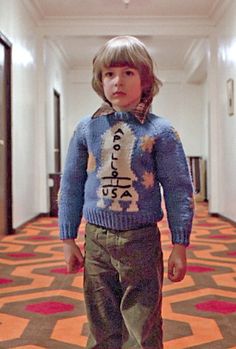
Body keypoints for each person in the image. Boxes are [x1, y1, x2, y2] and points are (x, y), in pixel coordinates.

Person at [58, 35, 194, 349]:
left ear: (145, 80)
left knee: (142, 327)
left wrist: (180, 244)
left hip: (142, 242)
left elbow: (178, 190)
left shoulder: (161, 132)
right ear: (100, 81)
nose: (118, 81)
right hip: (96, 241)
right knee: (101, 324)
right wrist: (68, 240)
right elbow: (71, 185)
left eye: (128, 73)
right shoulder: (86, 129)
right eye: (109, 74)